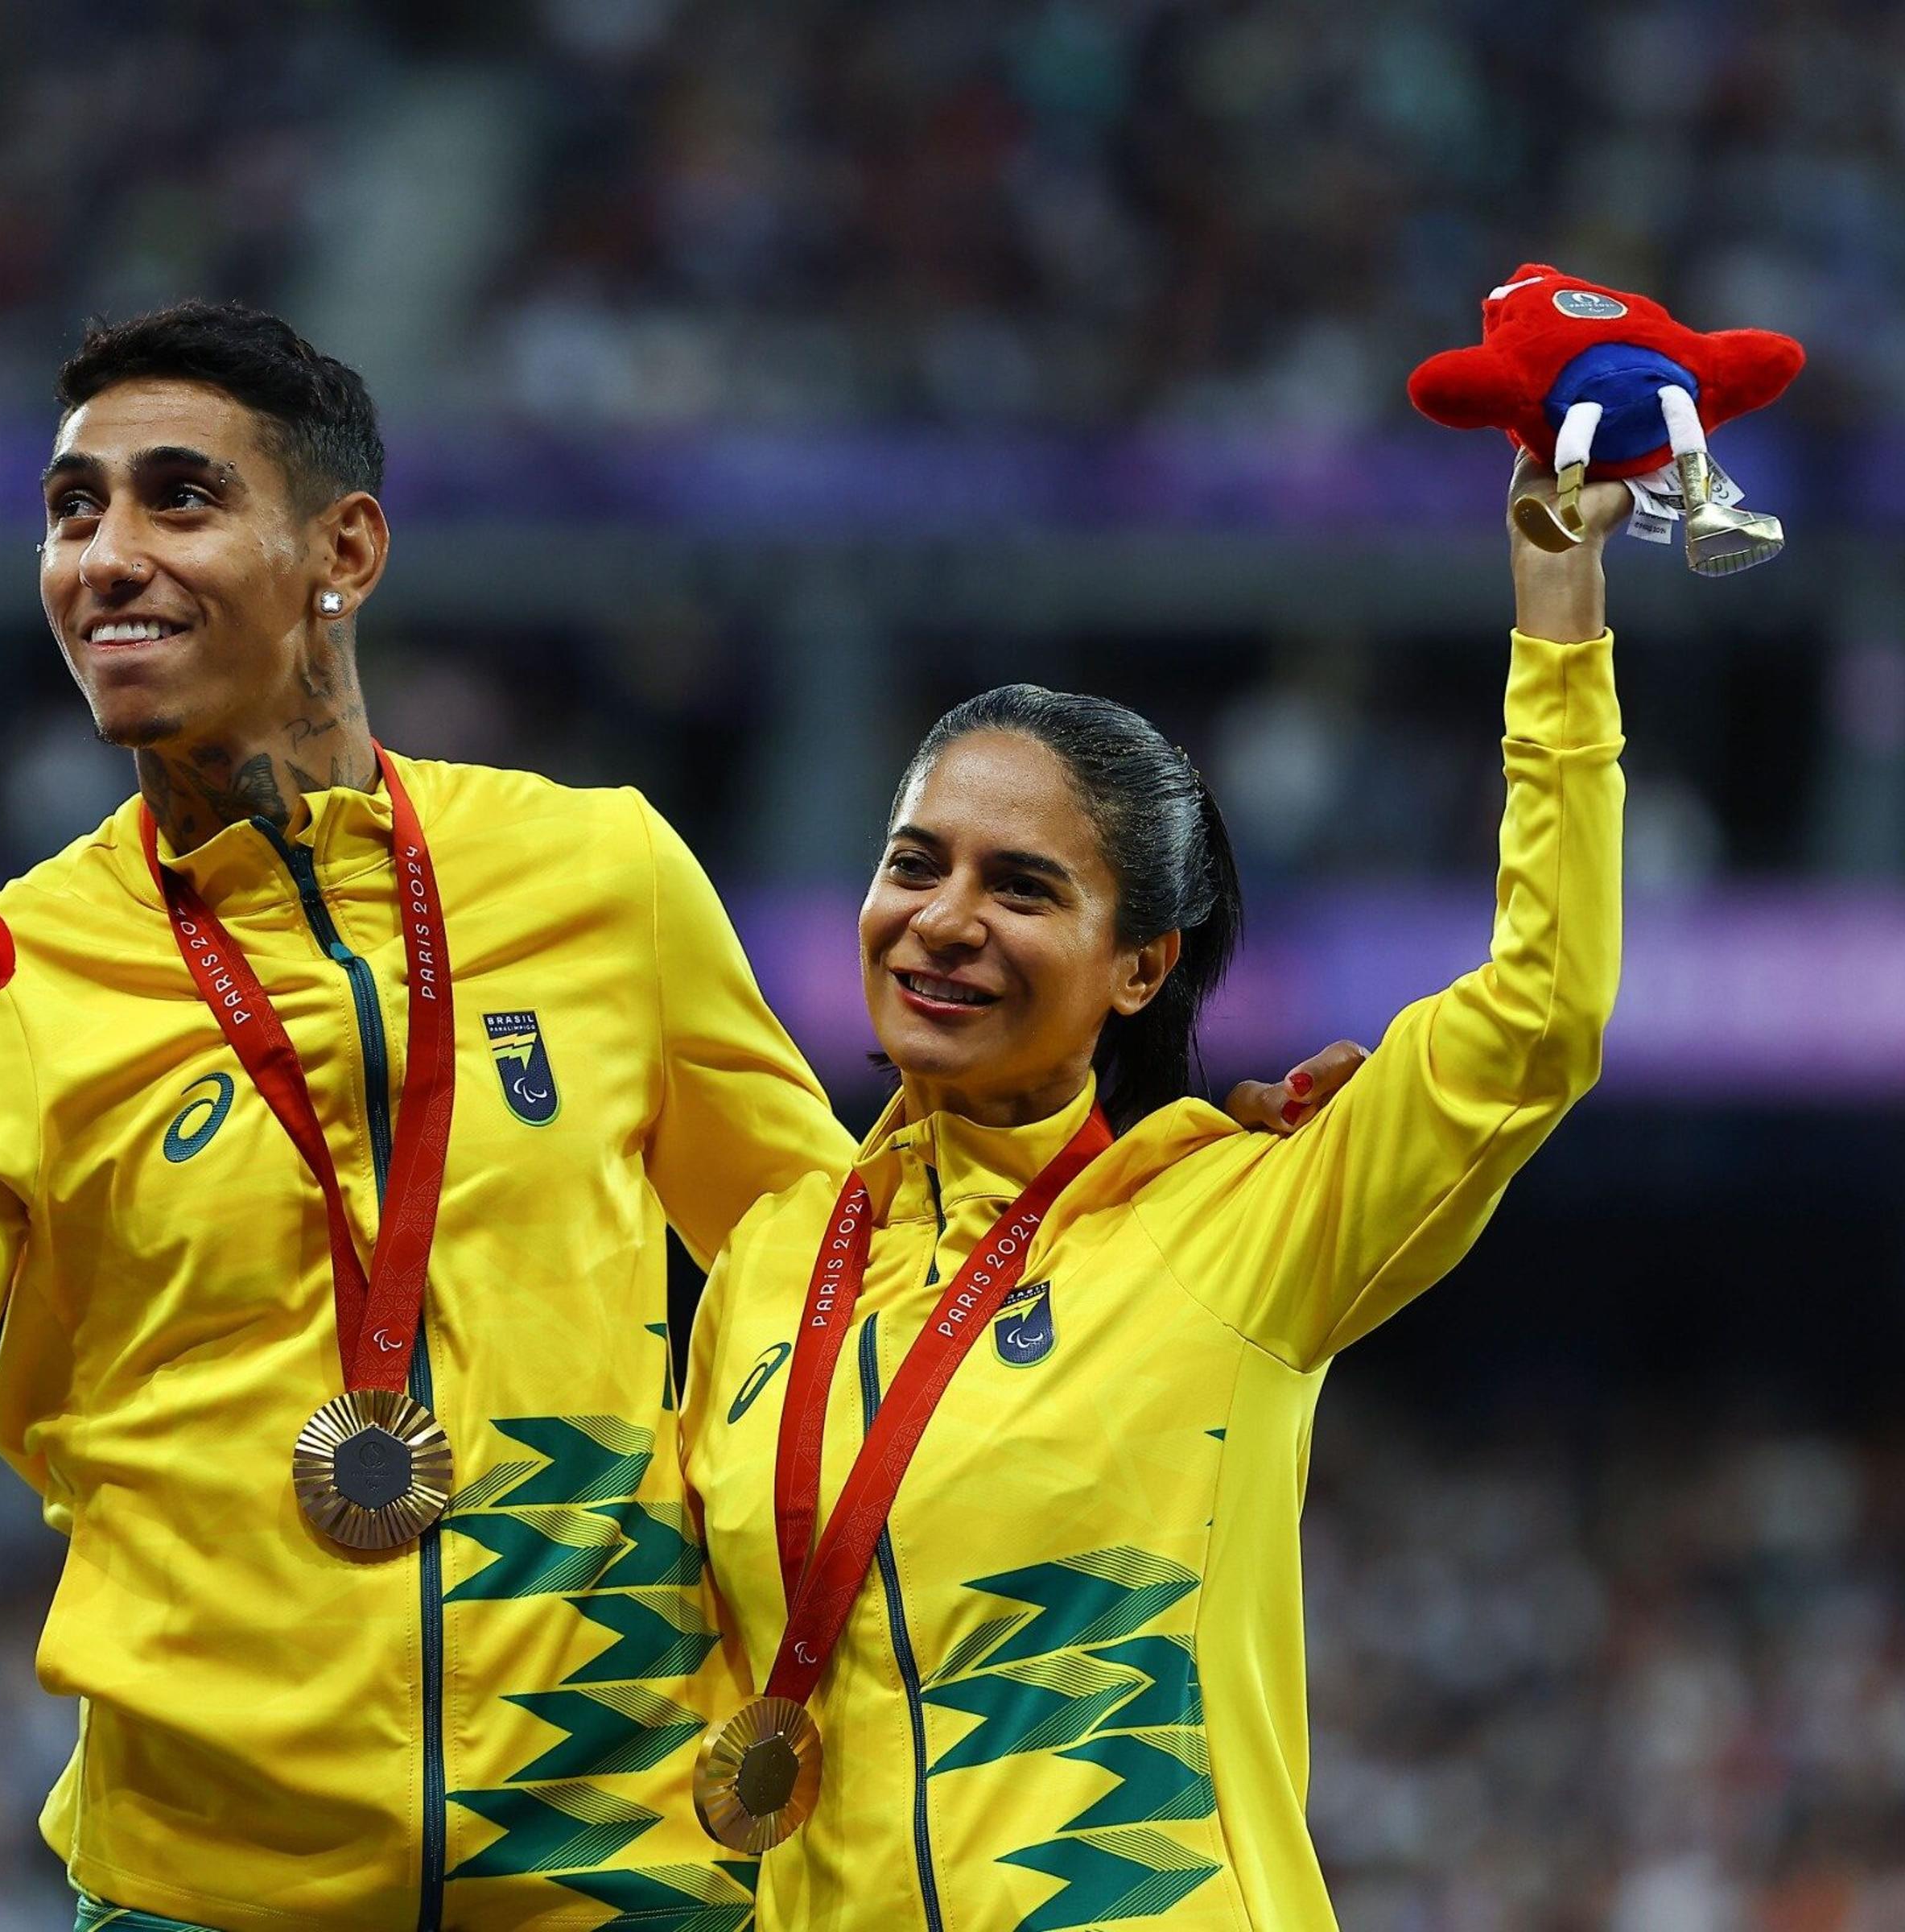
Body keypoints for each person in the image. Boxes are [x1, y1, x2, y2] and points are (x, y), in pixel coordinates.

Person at [0, 301, 1355, 1932]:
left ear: (346, 554)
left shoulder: (598, 877)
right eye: (71, 510)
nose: (107, 557)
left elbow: (871, 1287)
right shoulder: (0, 998)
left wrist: (1169, 1184)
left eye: (181, 497)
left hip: (628, 1888)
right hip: (208, 1905)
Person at [676, 452, 1626, 1930]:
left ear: (1141, 965)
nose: (945, 919)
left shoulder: (1237, 1228)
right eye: (915, 863)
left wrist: (1557, 604)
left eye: (1024, 887)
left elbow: (1542, 1015)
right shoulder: (776, 1261)